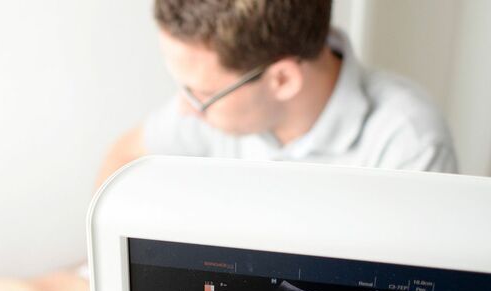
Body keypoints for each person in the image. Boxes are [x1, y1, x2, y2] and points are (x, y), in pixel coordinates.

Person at [97, 0, 457, 186]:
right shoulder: (207, 110)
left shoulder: (409, 144)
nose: (186, 109)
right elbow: (123, 157)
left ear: (282, 79)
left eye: (201, 93)